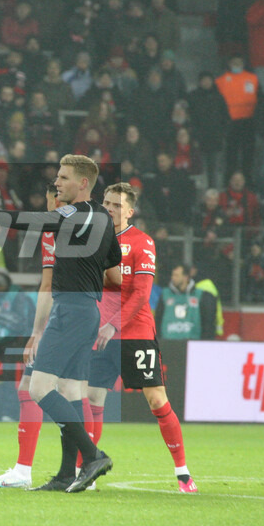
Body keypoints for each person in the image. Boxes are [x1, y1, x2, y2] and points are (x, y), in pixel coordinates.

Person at [0, 154, 122, 493]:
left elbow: (28, 219)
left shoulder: (71, 213)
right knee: (70, 390)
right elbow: (115, 273)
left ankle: (92, 455)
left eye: (64, 177)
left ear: (83, 184)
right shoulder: (102, 217)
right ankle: (65, 475)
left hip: (70, 310)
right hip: (90, 309)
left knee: (37, 388)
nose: (57, 182)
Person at [87, 183, 197, 493]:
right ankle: (89, 470)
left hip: (134, 333)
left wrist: (114, 324)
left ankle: (183, 473)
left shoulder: (141, 242)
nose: (110, 208)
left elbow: (141, 294)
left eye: (117, 205)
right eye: (107, 202)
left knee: (157, 400)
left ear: (130, 212)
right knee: (93, 399)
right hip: (100, 336)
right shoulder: (93, 241)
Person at [0, 181, 58, 489]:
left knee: (69, 391)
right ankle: (27, 469)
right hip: (65, 316)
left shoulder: (73, 227)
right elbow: (47, 283)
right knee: (34, 388)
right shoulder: (55, 232)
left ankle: (84, 464)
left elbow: (51, 285)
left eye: (53, 195)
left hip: (71, 316)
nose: (48, 203)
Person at [155, 264, 218, 340]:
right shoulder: (165, 295)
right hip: (168, 343)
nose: (173, 278)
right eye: (173, 275)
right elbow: (157, 320)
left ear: (186, 277)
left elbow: (208, 323)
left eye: (176, 275)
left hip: (193, 344)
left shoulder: (201, 296)